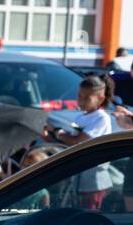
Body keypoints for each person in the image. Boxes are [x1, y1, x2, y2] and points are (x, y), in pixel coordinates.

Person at [44, 75, 116, 208]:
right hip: (78, 181)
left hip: (94, 182)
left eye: (87, 98)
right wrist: (49, 136)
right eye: (79, 96)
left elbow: (79, 141)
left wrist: (59, 134)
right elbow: (70, 139)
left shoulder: (102, 118)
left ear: (100, 99)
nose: (81, 101)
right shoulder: (80, 118)